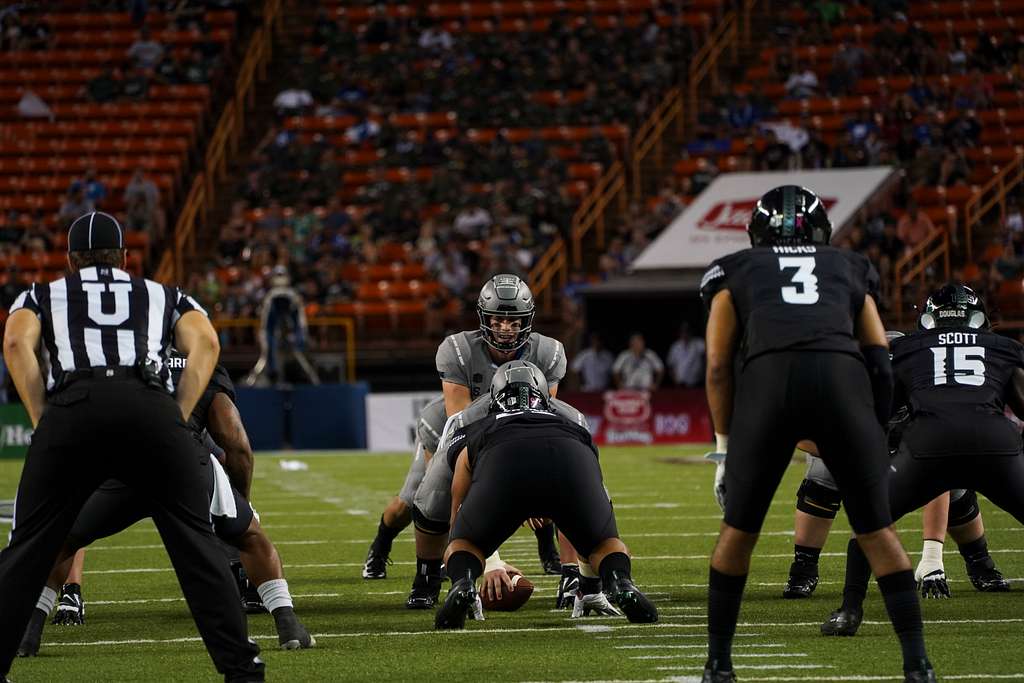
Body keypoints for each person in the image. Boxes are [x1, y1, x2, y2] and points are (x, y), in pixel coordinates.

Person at [0, 211, 264, 682]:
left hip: (73, 406)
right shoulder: (162, 294)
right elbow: (205, 342)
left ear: (70, 260)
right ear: (124, 258)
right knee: (198, 549)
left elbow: (17, 344)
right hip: (150, 407)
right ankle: (242, 671)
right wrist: (177, 414)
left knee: (30, 546)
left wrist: (45, 417)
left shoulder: (43, 294)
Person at [699, 186, 934, 683]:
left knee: (739, 531)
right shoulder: (849, 265)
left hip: (769, 381)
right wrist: (872, 427)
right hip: (841, 381)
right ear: (823, 230)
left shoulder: (734, 268)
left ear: (756, 231)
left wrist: (724, 448)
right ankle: (918, 664)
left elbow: (719, 366)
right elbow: (878, 356)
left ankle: (719, 665)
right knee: (876, 531)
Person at [15, 353, 315, 656]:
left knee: (61, 541)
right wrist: (240, 502)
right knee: (251, 536)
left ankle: (30, 630)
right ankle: (287, 623)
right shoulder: (198, 359)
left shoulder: (111, 360)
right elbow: (234, 438)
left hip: (122, 465)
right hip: (182, 462)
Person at [822, 284, 1024, 637]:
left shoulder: (906, 348)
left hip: (929, 446)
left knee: (869, 527)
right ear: (977, 317)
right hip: (995, 445)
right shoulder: (1003, 348)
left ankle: (849, 611)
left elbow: (880, 412)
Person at [434, 361, 658, 629]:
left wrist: (463, 549)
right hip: (570, 453)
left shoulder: (479, 425)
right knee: (604, 544)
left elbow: (458, 498)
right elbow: (595, 489)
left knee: (463, 545)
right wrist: (589, 584)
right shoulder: (573, 423)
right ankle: (620, 581)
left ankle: (464, 584)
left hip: (502, 458)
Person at [406, 275, 569, 610]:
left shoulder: (549, 352)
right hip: (462, 432)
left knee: (573, 478)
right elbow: (461, 424)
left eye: (513, 320)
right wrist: (491, 559)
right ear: (484, 318)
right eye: (498, 319)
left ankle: (576, 576)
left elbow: (543, 421)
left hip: (524, 433)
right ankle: (427, 576)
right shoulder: (458, 350)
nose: (506, 328)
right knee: (431, 494)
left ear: (528, 321)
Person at [666, 322, 705, 387]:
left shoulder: (699, 344)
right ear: (680, 333)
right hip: (680, 384)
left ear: (691, 332)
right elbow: (670, 366)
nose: (685, 334)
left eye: (687, 331)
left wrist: (703, 375)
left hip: (697, 383)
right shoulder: (675, 347)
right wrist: (675, 380)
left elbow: (706, 360)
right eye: (683, 332)